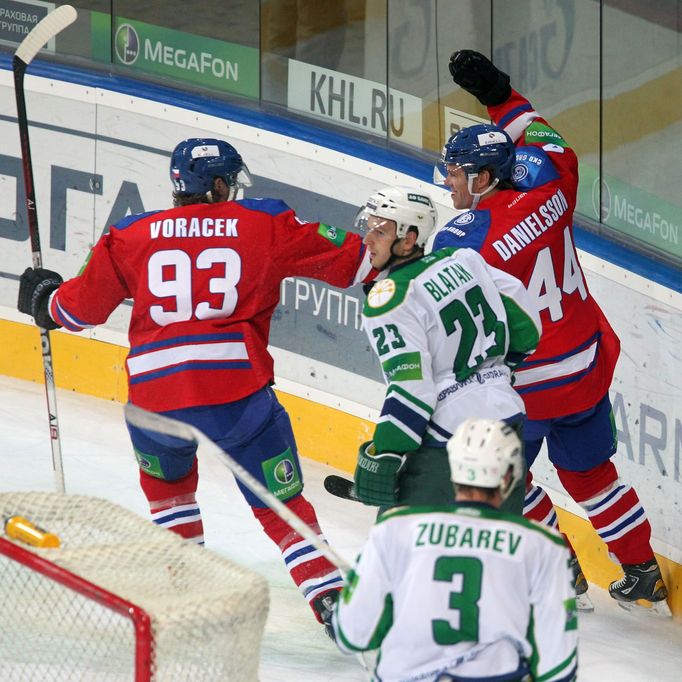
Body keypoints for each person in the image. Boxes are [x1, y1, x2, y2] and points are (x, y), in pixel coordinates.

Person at [16, 137, 378, 637]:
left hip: (154, 405)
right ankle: (332, 604)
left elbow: (76, 311)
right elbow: (360, 261)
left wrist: (44, 299)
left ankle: (186, 607)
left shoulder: (130, 233)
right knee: (283, 508)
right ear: (219, 185)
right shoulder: (264, 221)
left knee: (170, 499)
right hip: (237, 399)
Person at [432, 49, 668, 609]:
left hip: (528, 385)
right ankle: (641, 570)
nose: (449, 182)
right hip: (584, 366)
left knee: (500, 476)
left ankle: (560, 569)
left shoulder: (466, 240)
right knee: (591, 476)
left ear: (486, 178)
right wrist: (499, 94)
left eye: (458, 172)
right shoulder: (553, 183)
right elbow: (546, 137)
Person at [333, 417, 578, 682]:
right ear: (510, 476)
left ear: (455, 469)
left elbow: (351, 633)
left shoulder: (395, 529)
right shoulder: (543, 547)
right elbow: (558, 666)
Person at [350, 186, 541, 515]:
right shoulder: (462, 259)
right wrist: (502, 369)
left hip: (449, 442)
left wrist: (384, 454)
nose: (368, 239)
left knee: (400, 555)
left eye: (380, 231)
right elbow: (526, 322)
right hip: (507, 421)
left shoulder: (390, 299)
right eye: (369, 227)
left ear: (409, 239)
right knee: (492, 556)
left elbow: (412, 392)